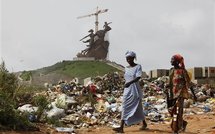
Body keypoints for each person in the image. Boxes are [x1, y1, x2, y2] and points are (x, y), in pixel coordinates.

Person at [113, 51, 147, 133]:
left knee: (138, 107)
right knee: (125, 106)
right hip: (127, 90)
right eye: (127, 58)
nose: (128, 60)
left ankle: (121, 127)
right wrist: (126, 83)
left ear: (133, 58)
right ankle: (144, 123)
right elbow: (126, 78)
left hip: (135, 90)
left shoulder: (138, 67)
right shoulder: (126, 68)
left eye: (130, 58)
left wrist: (130, 83)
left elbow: (138, 77)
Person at [166, 54, 196, 134]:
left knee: (178, 112)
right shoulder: (171, 70)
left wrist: (194, 95)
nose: (171, 61)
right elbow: (170, 82)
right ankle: (183, 123)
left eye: (172, 59)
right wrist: (166, 88)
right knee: (172, 111)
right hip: (172, 94)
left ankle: (176, 130)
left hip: (180, 94)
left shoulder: (183, 71)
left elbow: (189, 84)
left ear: (176, 61)